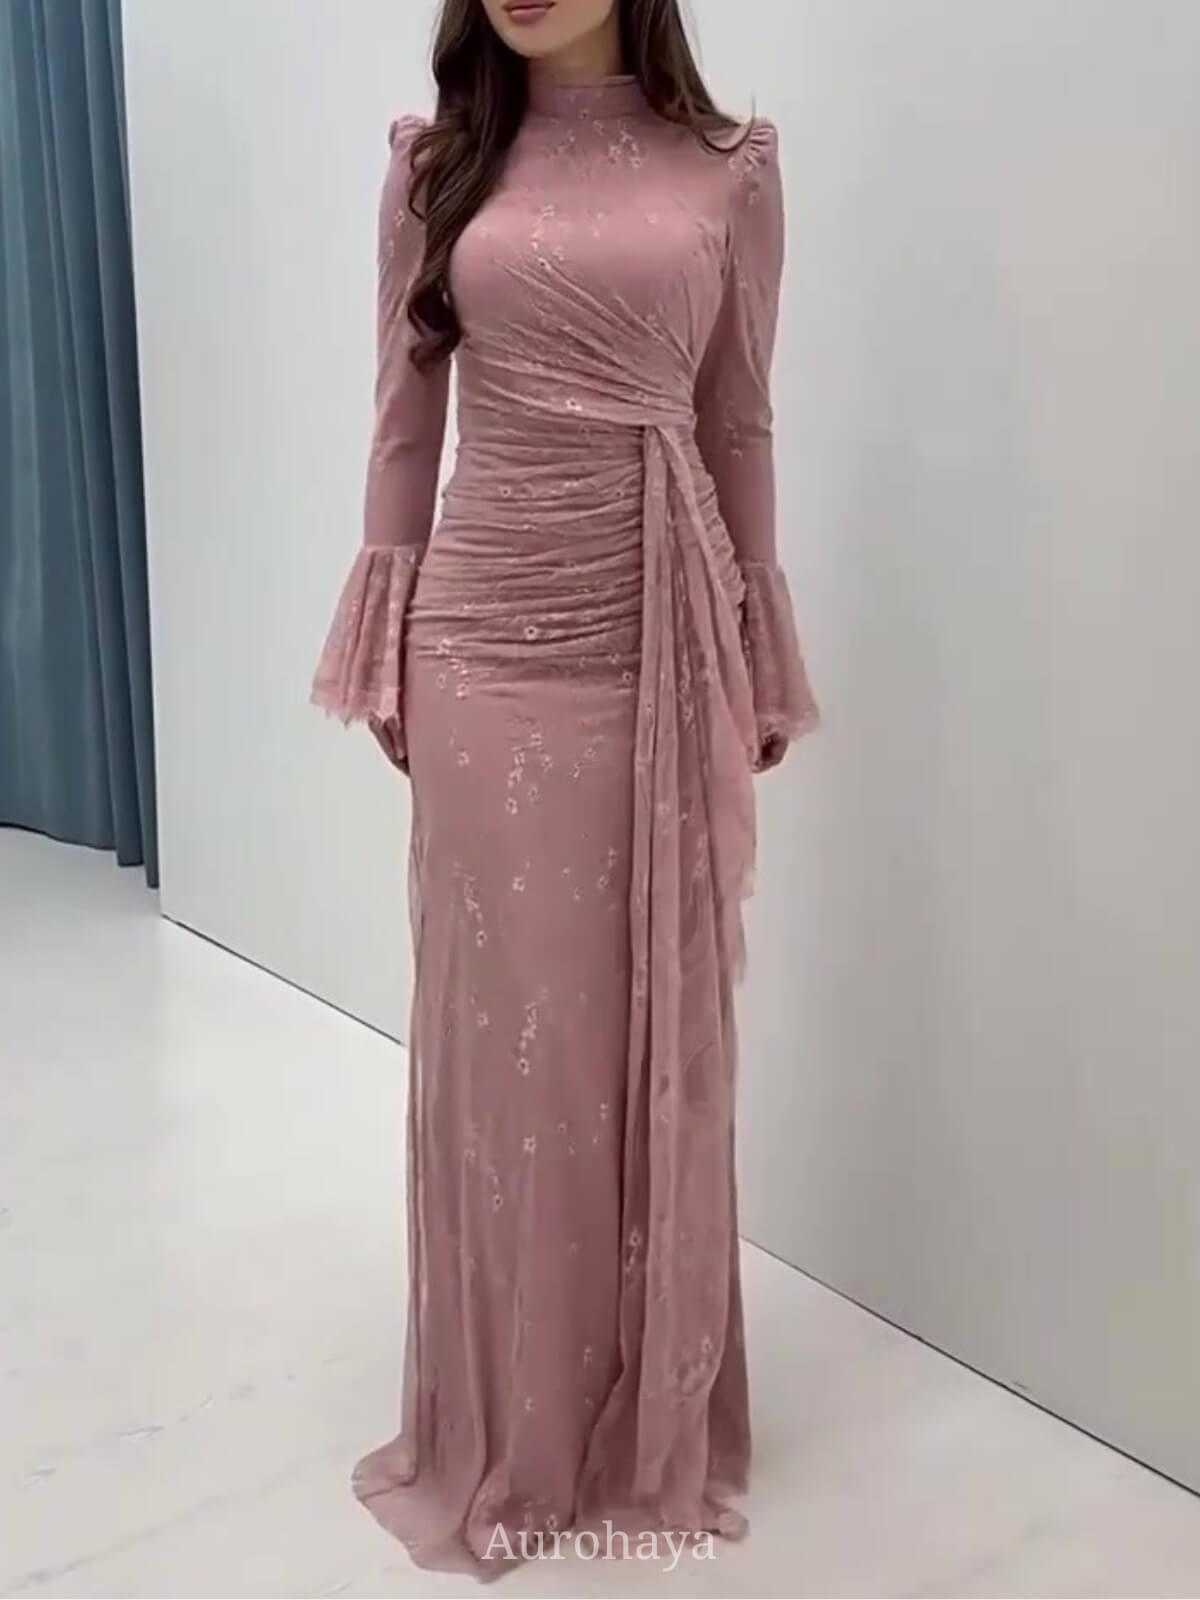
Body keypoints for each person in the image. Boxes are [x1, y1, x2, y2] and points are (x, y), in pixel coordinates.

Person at [311, 0, 819, 1575]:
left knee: (645, 1025)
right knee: (512, 1046)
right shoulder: (439, 167)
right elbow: (405, 426)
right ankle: (512, 1421)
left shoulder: (730, 171)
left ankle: (632, 1405)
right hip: (484, 640)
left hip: (656, 633)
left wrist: (756, 643)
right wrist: (386, 632)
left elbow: (738, 421)